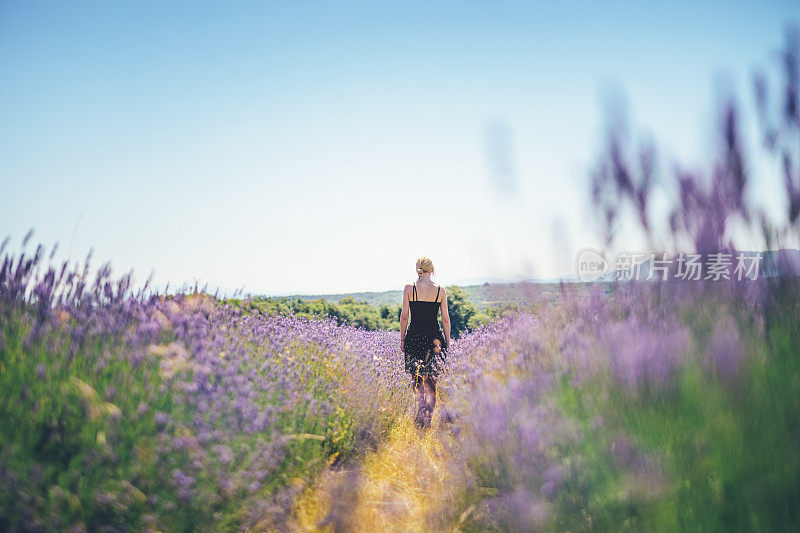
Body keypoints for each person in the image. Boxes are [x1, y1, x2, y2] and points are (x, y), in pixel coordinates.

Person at [399, 257, 451, 428]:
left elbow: (405, 316)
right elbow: (445, 319)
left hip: (414, 337)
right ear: (432, 270)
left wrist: (402, 338)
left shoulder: (409, 288)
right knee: (432, 381)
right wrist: (447, 342)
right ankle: (427, 420)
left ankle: (419, 417)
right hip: (433, 339)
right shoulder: (440, 291)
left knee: (417, 379)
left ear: (418, 270)